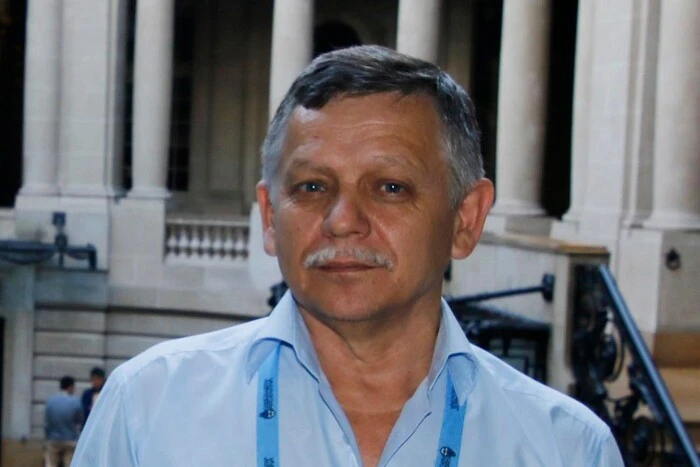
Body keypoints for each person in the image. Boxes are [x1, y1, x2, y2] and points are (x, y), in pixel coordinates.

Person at [73, 45, 623, 466]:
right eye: (312, 187)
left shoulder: (567, 449)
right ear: (270, 217)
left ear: (465, 220)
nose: (342, 220)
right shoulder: (146, 411)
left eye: (390, 188)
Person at [44, 376, 83, 467]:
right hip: (70, 439)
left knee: (51, 464)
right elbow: (79, 420)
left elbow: (47, 421)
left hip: (53, 439)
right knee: (69, 463)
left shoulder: (50, 401)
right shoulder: (76, 402)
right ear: (70, 387)